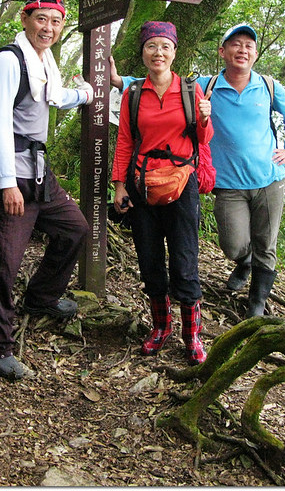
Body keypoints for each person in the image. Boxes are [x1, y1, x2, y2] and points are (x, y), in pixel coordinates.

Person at [111, 23, 285, 318]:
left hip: (269, 177)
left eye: (248, 46)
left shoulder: (268, 86)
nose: (242, 50)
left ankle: (257, 305)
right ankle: (244, 260)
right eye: (235, 45)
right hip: (229, 182)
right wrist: (118, 80)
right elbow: (159, 77)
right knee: (233, 244)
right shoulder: (206, 86)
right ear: (222, 51)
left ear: (255, 54)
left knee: (267, 243)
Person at [0, 0, 94, 381]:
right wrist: (6, 182)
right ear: (25, 20)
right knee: (2, 260)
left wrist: (86, 94)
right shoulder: (10, 61)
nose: (49, 27)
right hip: (10, 174)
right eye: (41, 18)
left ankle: (41, 297)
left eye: (56, 21)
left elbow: (53, 97)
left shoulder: (44, 61)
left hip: (39, 172)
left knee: (74, 229)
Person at [111, 21, 214, 365]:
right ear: (143, 53)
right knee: (149, 257)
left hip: (181, 185)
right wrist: (119, 185)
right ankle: (160, 327)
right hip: (142, 185)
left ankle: (192, 335)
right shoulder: (133, 93)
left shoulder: (189, 90)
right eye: (152, 46)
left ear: (174, 52)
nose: (158, 53)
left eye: (165, 47)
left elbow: (204, 138)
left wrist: (204, 118)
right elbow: (125, 140)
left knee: (185, 258)